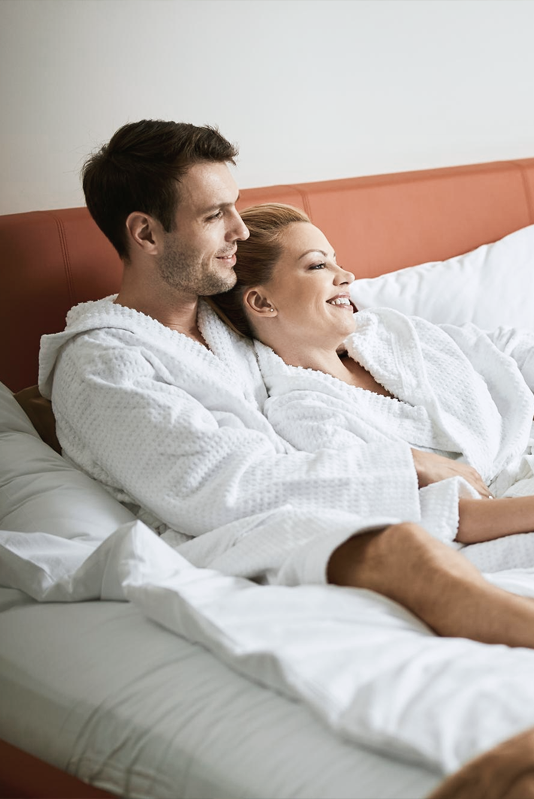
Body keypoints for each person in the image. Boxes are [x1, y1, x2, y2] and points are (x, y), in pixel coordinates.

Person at [37, 120, 534, 650]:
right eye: (214, 215)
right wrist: (408, 463)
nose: (240, 230)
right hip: (230, 537)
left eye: (234, 207)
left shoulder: (224, 321)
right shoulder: (103, 364)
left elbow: (338, 337)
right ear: (147, 234)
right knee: (397, 548)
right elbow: (220, 490)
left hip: (322, 506)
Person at [211, 202, 534, 565]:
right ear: (261, 301)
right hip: (507, 512)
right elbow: (440, 514)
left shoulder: (387, 332)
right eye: (318, 265)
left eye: (336, 261)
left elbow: (498, 353)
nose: (346, 275)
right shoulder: (304, 412)